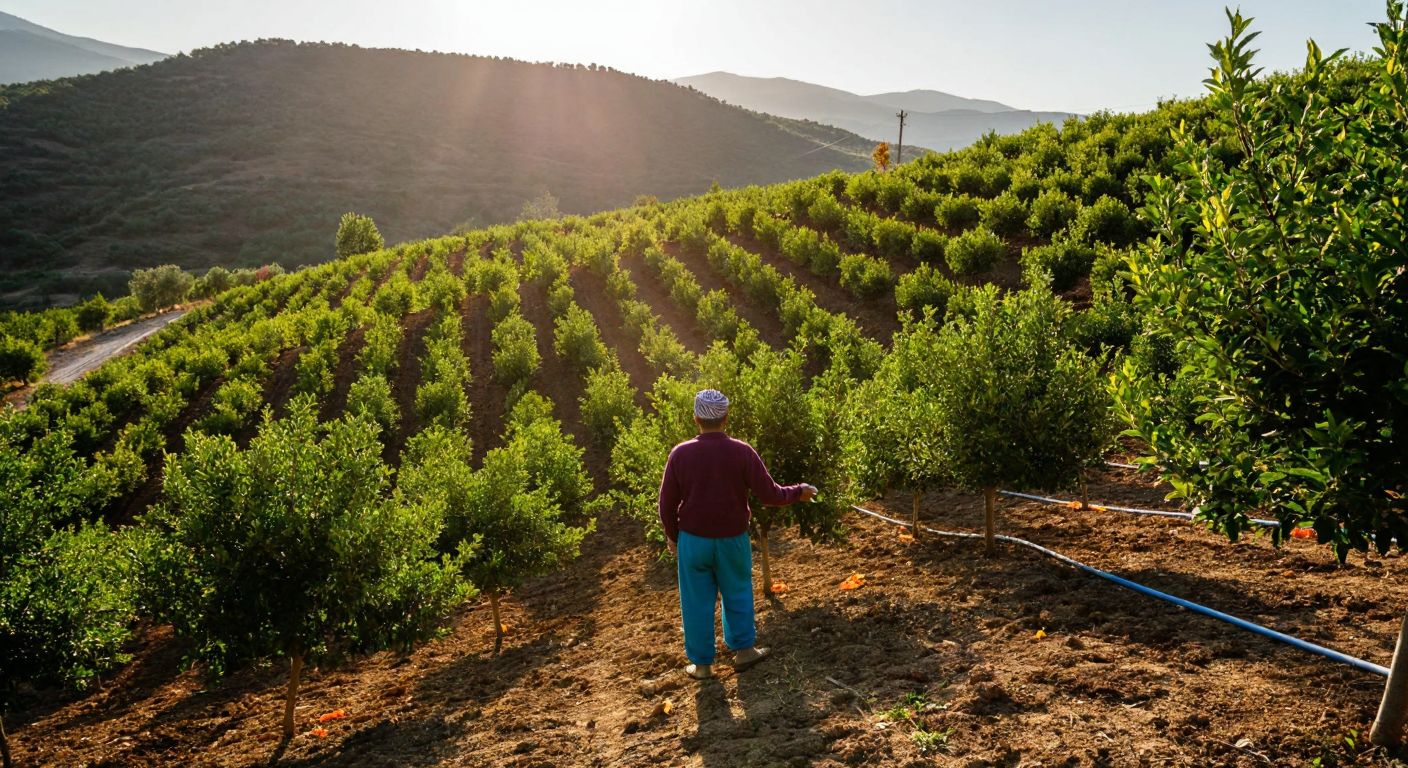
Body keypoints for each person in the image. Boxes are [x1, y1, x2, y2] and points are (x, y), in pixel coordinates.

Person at [657, 389, 817, 680]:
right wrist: (799, 492)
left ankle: (703, 666)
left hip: (693, 540)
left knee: (695, 601)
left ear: (696, 419)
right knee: (738, 590)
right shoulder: (742, 451)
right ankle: (744, 652)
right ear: (726, 418)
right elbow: (770, 494)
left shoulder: (680, 453)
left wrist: (674, 536)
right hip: (732, 538)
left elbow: (666, 504)